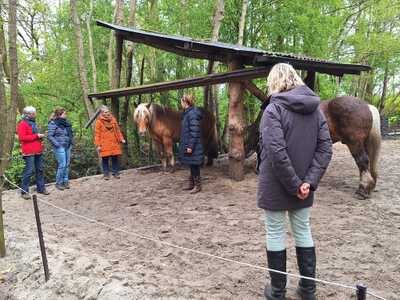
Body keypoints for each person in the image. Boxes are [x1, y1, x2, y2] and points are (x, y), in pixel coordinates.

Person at [257, 63, 332, 300]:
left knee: (275, 232)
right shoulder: (316, 110)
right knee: (302, 231)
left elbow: (276, 151)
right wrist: (307, 183)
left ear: (275, 81)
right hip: (303, 186)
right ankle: (308, 290)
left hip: (278, 184)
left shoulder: (273, 110)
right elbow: (325, 149)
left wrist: (295, 184)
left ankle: (278, 291)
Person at [16, 106, 50, 199]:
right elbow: (22, 138)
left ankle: (41, 188)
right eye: (34, 113)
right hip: (28, 151)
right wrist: (36, 136)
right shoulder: (22, 124)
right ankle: (24, 191)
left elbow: (34, 136)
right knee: (29, 171)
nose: (35, 115)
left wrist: (41, 136)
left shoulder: (33, 123)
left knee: (40, 169)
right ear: (28, 114)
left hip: (38, 150)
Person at [179, 94, 204, 194]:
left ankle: (198, 186)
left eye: (181, 102)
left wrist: (190, 146)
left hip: (193, 145)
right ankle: (192, 184)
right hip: (191, 144)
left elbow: (194, 131)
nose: (181, 104)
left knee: (194, 165)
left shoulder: (192, 114)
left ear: (185, 102)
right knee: (192, 164)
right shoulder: (187, 113)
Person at [94, 106, 125, 180]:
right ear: (102, 113)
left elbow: (117, 130)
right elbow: (97, 134)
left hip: (114, 142)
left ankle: (116, 173)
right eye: (105, 112)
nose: (107, 113)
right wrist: (98, 145)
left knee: (115, 159)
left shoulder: (113, 120)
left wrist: (121, 139)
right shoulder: (99, 122)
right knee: (105, 159)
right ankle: (106, 174)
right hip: (104, 143)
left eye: (107, 111)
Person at [48, 107, 73, 190]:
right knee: (62, 164)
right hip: (59, 147)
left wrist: (70, 141)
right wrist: (57, 144)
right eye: (64, 113)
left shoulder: (67, 123)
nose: (66, 115)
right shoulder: (53, 123)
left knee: (67, 164)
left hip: (67, 145)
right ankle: (59, 182)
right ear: (60, 115)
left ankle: (65, 181)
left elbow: (69, 133)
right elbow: (50, 136)